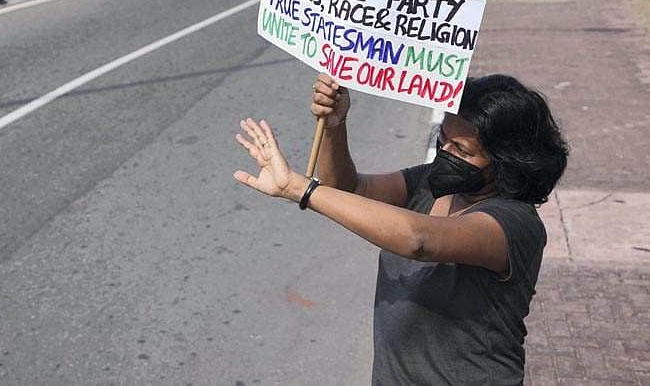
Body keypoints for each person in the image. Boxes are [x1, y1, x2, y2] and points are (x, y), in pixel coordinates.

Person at [233, 73, 569, 383]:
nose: (446, 153)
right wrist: (335, 125)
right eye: (443, 139)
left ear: (506, 162)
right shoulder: (430, 183)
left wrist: (300, 189)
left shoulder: (514, 222)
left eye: (462, 150)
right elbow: (346, 189)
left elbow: (418, 239)